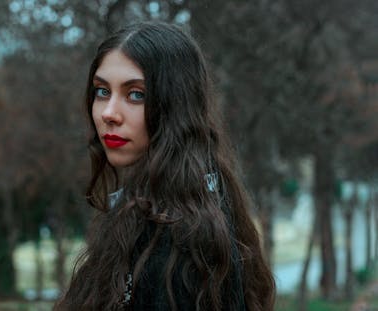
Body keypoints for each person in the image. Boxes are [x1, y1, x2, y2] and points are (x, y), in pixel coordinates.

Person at [54, 21, 275, 311]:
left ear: (174, 106)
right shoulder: (166, 207)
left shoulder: (183, 237)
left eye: (136, 94)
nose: (109, 113)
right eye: (102, 91)